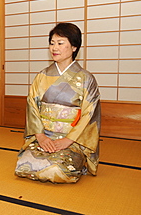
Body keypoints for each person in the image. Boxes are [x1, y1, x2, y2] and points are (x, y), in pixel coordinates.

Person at [15, 23, 101, 183]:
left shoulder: (86, 79)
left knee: (57, 170)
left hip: (73, 139)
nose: (54, 48)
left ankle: (79, 161)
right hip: (45, 136)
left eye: (60, 43)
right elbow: (32, 107)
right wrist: (40, 137)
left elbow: (90, 114)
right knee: (23, 166)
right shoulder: (42, 76)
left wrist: (68, 140)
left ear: (74, 46)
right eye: (52, 43)